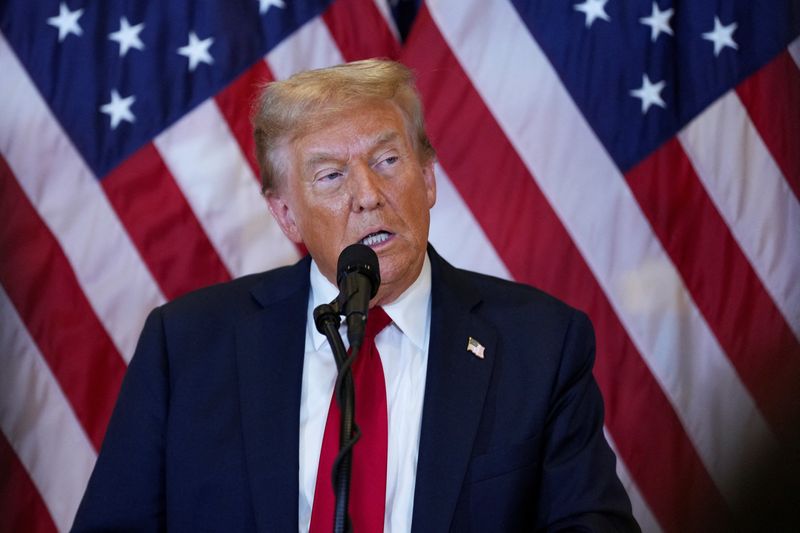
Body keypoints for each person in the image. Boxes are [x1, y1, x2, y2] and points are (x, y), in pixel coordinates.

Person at [72, 59, 639, 532]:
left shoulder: (539, 345)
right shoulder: (188, 345)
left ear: (429, 177)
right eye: (330, 176)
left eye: (388, 161)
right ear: (286, 214)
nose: (369, 195)